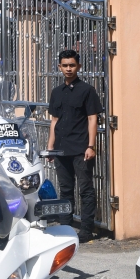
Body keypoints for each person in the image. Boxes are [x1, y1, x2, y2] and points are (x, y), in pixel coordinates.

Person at [48, 49, 102, 243]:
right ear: (59, 67)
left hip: (81, 148)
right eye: (65, 65)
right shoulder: (56, 92)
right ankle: (65, 228)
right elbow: (54, 120)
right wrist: (50, 147)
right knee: (65, 189)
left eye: (72, 65)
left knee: (86, 189)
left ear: (78, 66)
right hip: (61, 148)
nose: (68, 69)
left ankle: (86, 231)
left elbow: (92, 118)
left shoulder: (87, 90)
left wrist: (91, 146)